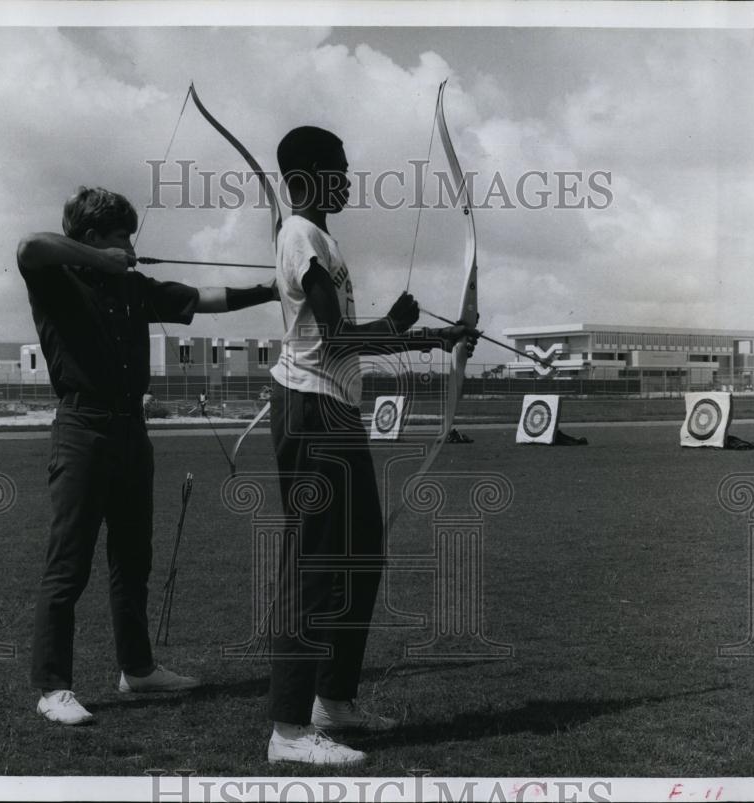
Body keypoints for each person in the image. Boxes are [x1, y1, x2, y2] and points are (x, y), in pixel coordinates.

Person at [17, 186, 278, 726]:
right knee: (68, 565)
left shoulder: (134, 289)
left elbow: (204, 300)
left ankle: (137, 668)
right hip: (81, 430)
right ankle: (52, 687)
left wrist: (273, 290)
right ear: (91, 240)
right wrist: (99, 258)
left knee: (133, 560)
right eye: (121, 239)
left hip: (131, 433)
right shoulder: (55, 280)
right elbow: (31, 245)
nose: (131, 248)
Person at [265, 126, 478, 765]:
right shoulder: (301, 234)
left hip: (334, 408)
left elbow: (347, 339)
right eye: (339, 166)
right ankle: (288, 733)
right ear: (306, 175)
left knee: (360, 555)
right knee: (318, 563)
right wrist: (404, 329)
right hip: (311, 409)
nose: (349, 177)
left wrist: (438, 340)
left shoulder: (322, 238)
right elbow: (333, 341)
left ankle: (334, 701)